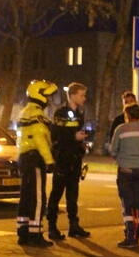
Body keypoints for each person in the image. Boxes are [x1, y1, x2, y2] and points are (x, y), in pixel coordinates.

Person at [16, 79, 58, 248]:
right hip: (35, 159)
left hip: (25, 158)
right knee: (39, 198)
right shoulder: (37, 114)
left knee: (26, 196)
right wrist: (49, 161)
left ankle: (23, 232)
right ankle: (35, 234)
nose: (49, 99)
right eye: (48, 96)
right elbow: (40, 139)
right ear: (40, 96)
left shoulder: (25, 111)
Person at [109, 91, 139, 233]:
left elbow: (112, 148)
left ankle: (131, 230)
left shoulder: (127, 125)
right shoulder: (120, 121)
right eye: (127, 102)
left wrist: (119, 160)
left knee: (130, 199)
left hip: (129, 167)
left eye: (131, 102)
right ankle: (135, 227)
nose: (129, 104)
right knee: (135, 199)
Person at [46, 82, 90, 240]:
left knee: (73, 194)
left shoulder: (80, 113)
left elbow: (78, 132)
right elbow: (55, 135)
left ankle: (74, 226)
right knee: (57, 193)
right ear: (72, 95)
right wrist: (74, 137)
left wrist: (82, 143)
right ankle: (52, 227)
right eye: (81, 95)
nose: (84, 98)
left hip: (75, 158)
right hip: (63, 158)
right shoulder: (60, 113)